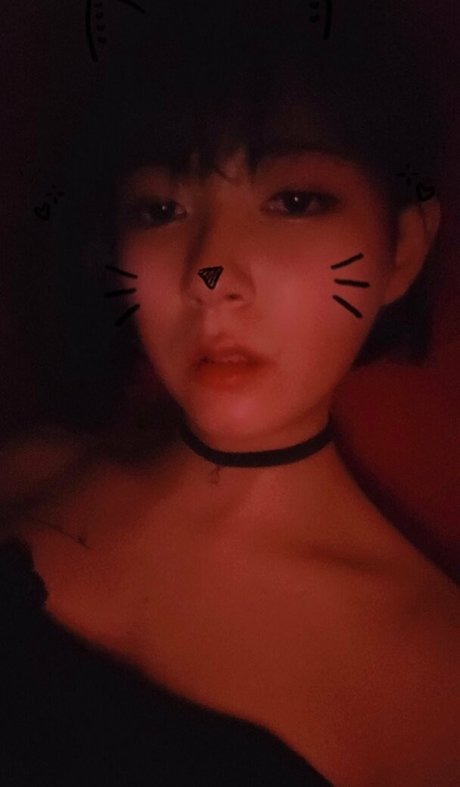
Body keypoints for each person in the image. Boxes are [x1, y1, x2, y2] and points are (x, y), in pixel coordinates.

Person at [1, 1, 459, 784]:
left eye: (293, 201)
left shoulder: (438, 681)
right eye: (161, 208)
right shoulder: (27, 469)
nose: (211, 273)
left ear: (404, 249)